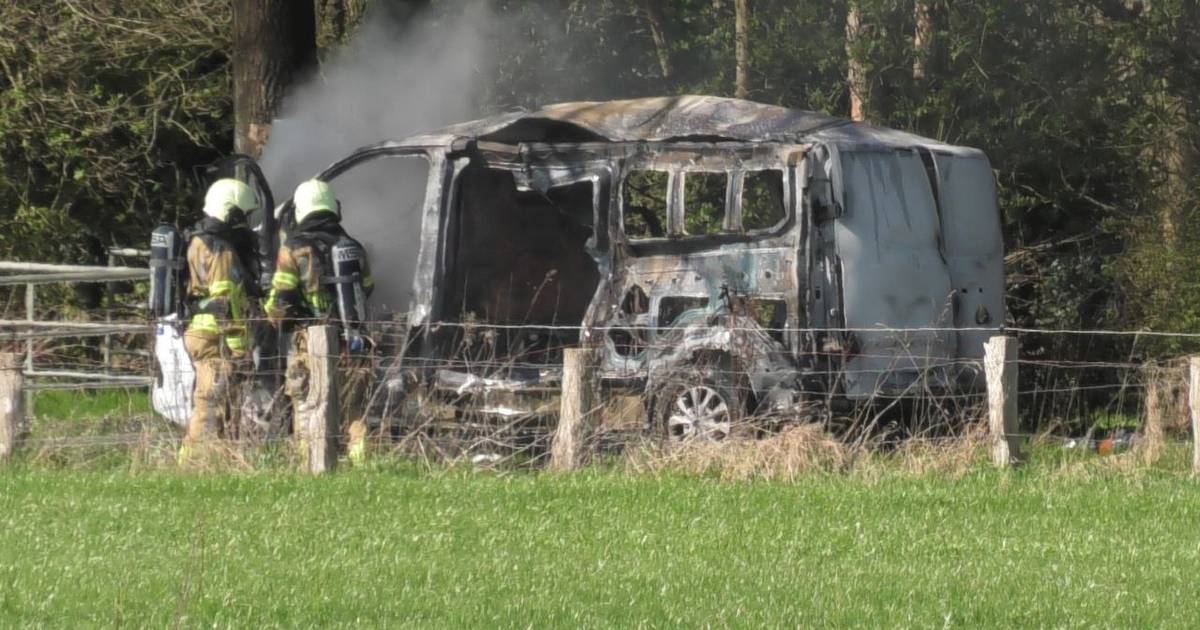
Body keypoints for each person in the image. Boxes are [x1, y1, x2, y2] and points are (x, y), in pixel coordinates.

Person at [266, 179, 375, 463]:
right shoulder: (352, 246)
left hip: (309, 343)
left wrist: (271, 315)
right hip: (352, 341)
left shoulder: (293, 249)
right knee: (353, 409)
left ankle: (310, 464)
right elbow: (367, 287)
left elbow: (280, 303)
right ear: (333, 208)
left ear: (301, 210)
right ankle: (361, 463)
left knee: (308, 406)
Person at [180, 178, 261, 462]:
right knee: (210, 404)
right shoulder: (221, 250)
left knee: (220, 403)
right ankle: (189, 463)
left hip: (200, 332)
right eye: (243, 215)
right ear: (231, 212)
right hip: (217, 336)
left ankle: (216, 459)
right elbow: (227, 303)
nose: (245, 223)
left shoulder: (196, 240)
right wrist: (239, 348)